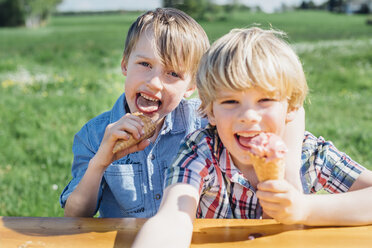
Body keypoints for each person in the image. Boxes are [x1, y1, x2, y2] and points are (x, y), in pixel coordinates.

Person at [131, 27, 372, 248]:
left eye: (264, 100)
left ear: (291, 108)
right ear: (210, 111)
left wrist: (304, 208)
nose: (247, 116)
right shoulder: (201, 151)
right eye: (230, 101)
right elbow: (172, 218)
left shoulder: (309, 155)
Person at [59, 8, 210, 218]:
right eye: (145, 64)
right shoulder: (94, 136)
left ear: (190, 87)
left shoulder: (205, 125)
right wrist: (100, 162)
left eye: (173, 73)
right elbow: (75, 215)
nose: (154, 82)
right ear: (125, 65)